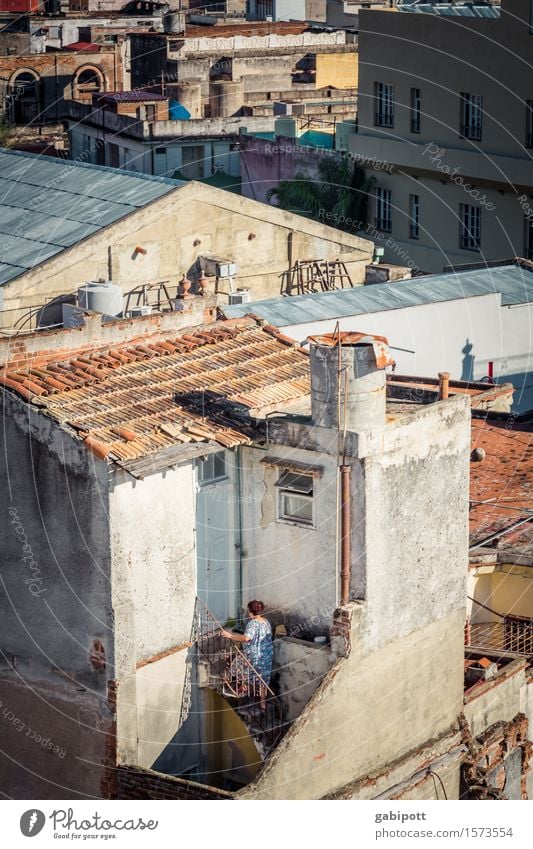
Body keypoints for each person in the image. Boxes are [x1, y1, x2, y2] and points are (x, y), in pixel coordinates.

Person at [222, 600, 273, 709]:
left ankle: (231, 682)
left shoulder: (252, 623)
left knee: (237, 664)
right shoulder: (266, 622)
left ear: (250, 612)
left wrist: (230, 636)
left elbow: (246, 638)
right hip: (266, 655)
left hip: (254, 655)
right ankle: (262, 704)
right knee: (262, 678)